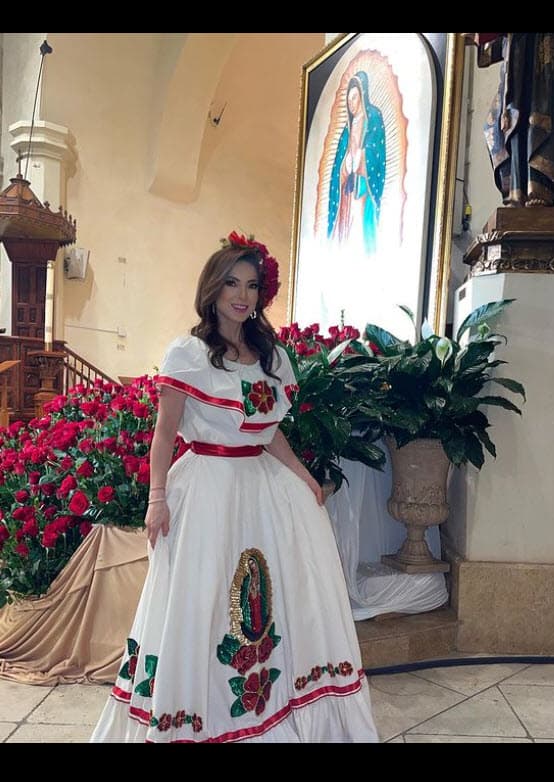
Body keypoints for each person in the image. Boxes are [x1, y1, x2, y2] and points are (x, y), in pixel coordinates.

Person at [91, 231, 379, 743]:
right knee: (201, 599)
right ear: (213, 289)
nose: (241, 295)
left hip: (263, 492)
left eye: (250, 285)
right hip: (205, 490)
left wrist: (307, 479)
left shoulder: (271, 358)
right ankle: (194, 717)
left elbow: (270, 435)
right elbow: (164, 433)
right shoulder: (189, 353)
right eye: (231, 283)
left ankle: (271, 713)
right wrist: (157, 499)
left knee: (264, 600)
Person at [466, 33, 554, 207]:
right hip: (513, 60)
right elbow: (492, 47)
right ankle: (515, 191)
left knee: (532, 120)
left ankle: (539, 188)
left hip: (537, 61)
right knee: (497, 127)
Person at [328, 71, 386, 253]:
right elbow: (339, 162)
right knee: (349, 229)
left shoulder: (374, 117)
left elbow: (377, 151)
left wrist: (360, 158)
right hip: (349, 189)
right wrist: (345, 165)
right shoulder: (347, 128)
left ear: (363, 94)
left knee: (363, 226)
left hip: (364, 186)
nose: (351, 103)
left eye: (355, 97)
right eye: (349, 99)